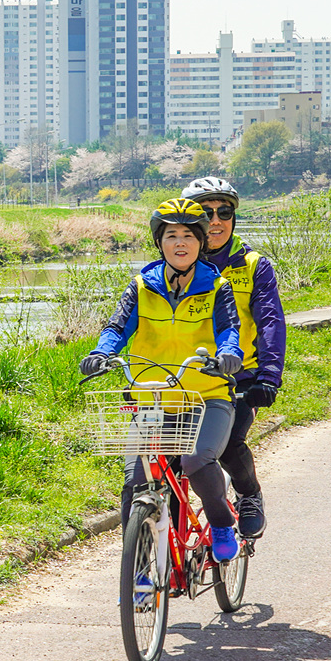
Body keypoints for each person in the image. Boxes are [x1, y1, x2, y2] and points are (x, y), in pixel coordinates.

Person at [80, 198, 246, 562]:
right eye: (172, 235)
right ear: (160, 242)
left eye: (189, 235)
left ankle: (220, 523)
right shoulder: (141, 286)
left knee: (196, 461)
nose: (181, 243)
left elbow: (229, 331)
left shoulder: (217, 286)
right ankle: (139, 570)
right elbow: (116, 328)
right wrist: (100, 353)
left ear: (201, 242)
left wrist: (228, 357)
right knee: (134, 483)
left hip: (207, 398)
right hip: (152, 399)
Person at [180, 176, 286, 540]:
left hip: (240, 378)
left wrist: (269, 376)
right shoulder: (175, 263)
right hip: (185, 377)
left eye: (224, 211)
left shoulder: (254, 265)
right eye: (205, 212)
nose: (215, 220)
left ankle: (249, 495)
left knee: (226, 445)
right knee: (171, 456)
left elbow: (270, 321)